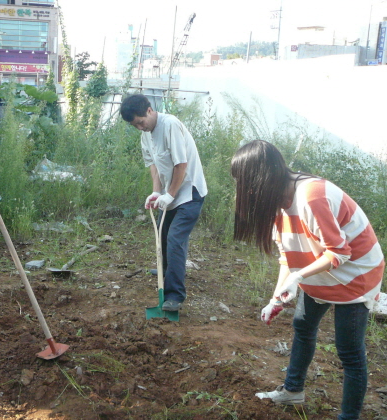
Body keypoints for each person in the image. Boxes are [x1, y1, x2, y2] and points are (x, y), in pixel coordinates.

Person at [231, 140, 384, 420]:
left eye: (247, 183)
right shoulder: (277, 202)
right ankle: (293, 391)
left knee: (348, 350)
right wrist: (276, 298)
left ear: (263, 177)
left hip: (356, 275)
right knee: (302, 325)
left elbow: (340, 252)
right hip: (322, 269)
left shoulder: (312, 195)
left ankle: (348, 416)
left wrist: (300, 276)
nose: (247, 191)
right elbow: (287, 258)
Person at [120, 94, 208, 312]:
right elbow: (154, 164)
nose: (140, 127)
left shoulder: (170, 125)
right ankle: (166, 271)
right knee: (162, 234)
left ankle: (174, 296)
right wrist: (156, 192)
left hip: (189, 192)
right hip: (171, 192)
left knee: (175, 238)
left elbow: (181, 164)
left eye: (140, 122)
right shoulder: (146, 134)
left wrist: (169, 194)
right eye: (135, 125)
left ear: (149, 110)